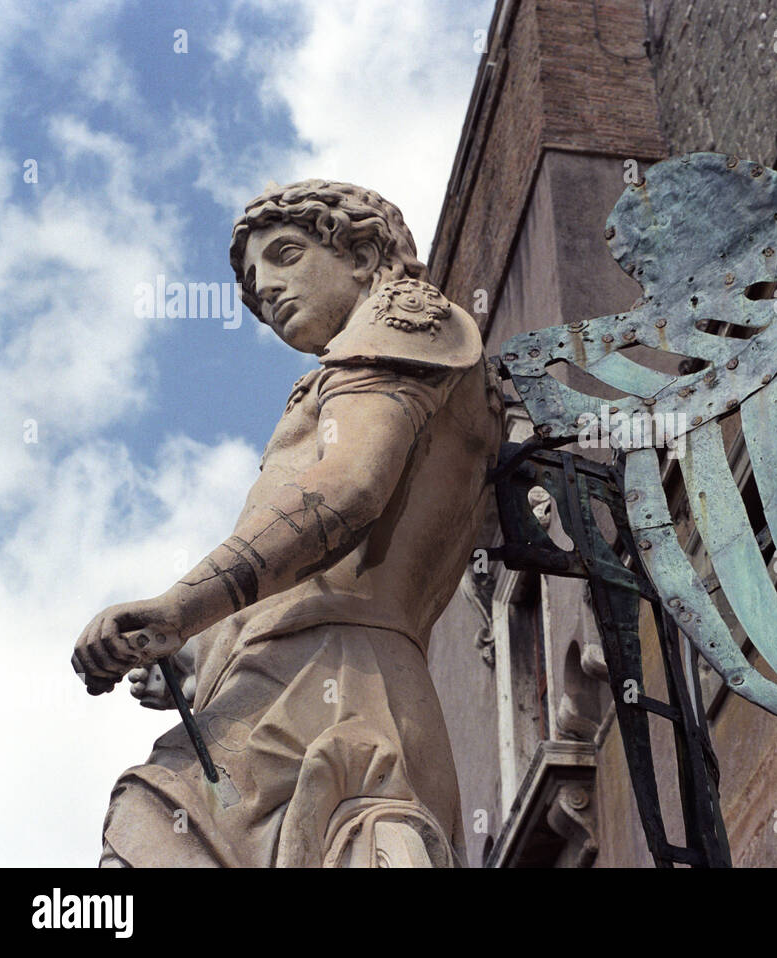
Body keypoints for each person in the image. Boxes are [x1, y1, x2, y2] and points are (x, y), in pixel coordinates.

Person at [71, 180, 503, 867]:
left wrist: (179, 607)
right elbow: (303, 563)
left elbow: (348, 492)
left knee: (150, 830)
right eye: (251, 279)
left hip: (338, 686)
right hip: (271, 690)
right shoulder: (341, 372)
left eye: (285, 254)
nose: (266, 288)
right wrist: (191, 656)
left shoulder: (412, 323)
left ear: (363, 253)